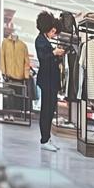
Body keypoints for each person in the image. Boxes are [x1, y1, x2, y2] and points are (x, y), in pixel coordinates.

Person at [33, 10, 65, 152]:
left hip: (50, 80)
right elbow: (43, 58)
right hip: (47, 80)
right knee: (46, 110)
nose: (54, 34)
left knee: (50, 109)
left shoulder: (45, 40)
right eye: (52, 31)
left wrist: (57, 55)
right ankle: (44, 140)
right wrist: (54, 53)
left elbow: (49, 59)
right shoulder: (40, 40)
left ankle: (47, 138)